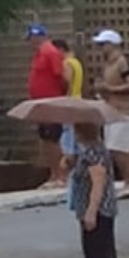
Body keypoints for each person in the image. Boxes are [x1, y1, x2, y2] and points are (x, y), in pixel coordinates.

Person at [68, 122, 121, 258]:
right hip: (86, 207)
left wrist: (92, 210)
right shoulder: (89, 151)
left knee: (101, 249)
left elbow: (98, 183)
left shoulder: (94, 153)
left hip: (98, 208)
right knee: (91, 251)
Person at [93, 29, 129, 198]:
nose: (100, 48)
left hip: (123, 109)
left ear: (112, 44)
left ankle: (128, 183)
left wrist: (110, 88)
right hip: (110, 108)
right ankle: (122, 182)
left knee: (120, 148)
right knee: (112, 148)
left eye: (103, 44)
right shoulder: (108, 64)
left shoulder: (122, 62)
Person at [26, 24, 68, 188]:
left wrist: (59, 97)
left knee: (53, 139)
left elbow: (61, 77)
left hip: (51, 102)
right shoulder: (38, 55)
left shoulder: (50, 52)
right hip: (40, 104)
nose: (30, 43)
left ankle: (61, 174)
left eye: (31, 39)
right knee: (45, 140)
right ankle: (53, 173)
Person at [53, 39, 84, 187]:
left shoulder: (67, 63)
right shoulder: (76, 62)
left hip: (69, 103)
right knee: (76, 140)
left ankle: (65, 177)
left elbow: (66, 82)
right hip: (78, 100)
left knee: (67, 140)